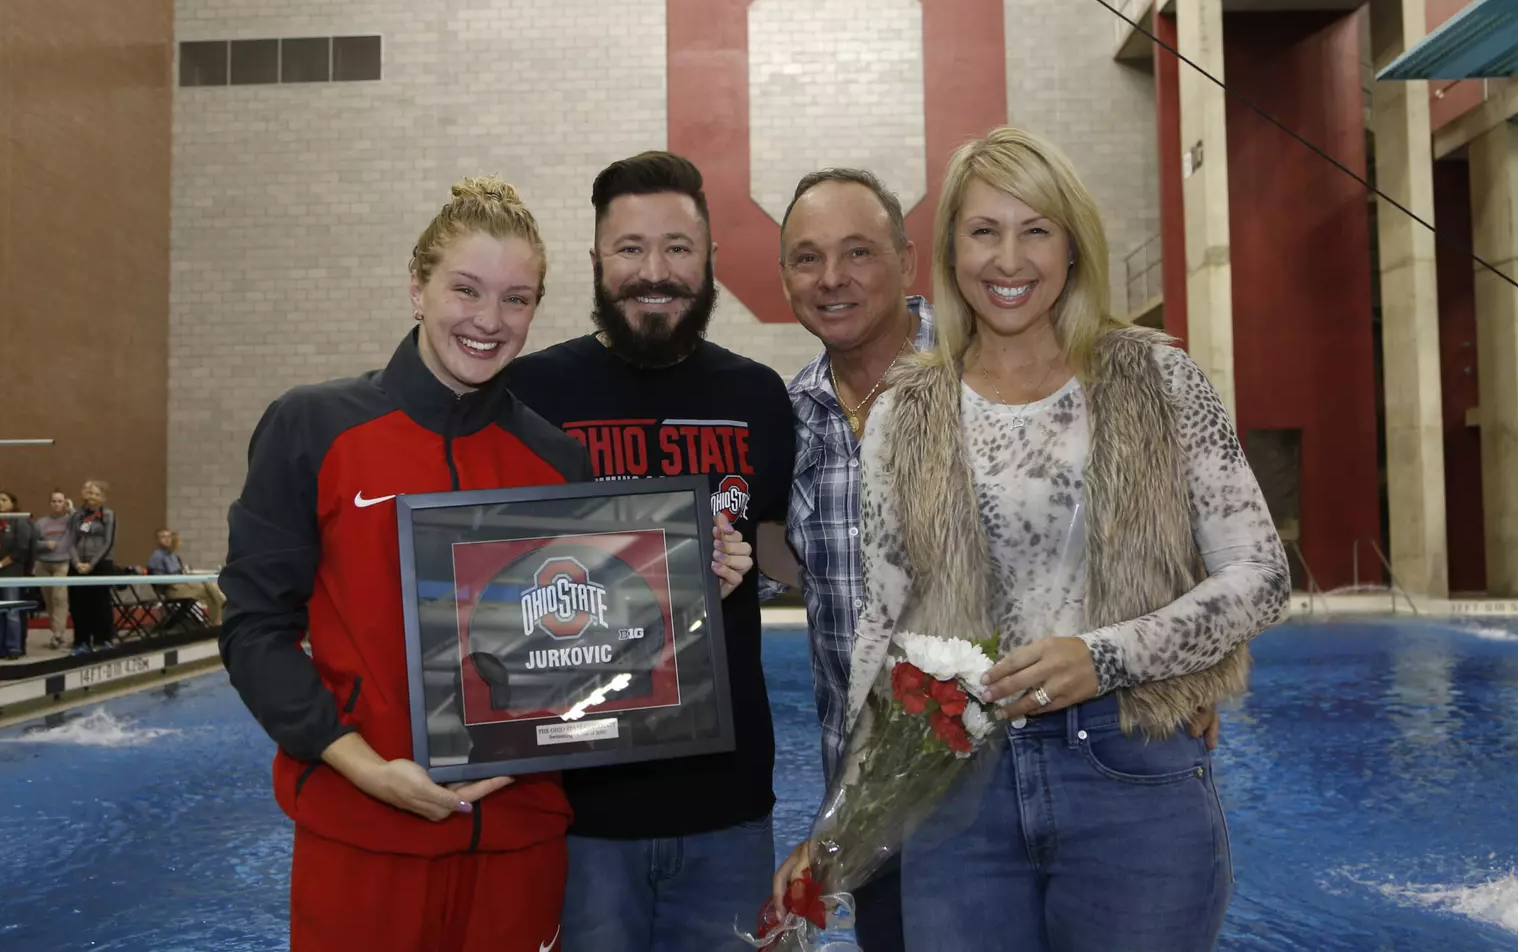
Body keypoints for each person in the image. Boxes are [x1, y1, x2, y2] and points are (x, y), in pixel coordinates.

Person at [782, 126, 1289, 951]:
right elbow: (880, 628)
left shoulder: (1157, 378)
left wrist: (1107, 656)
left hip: (1130, 775)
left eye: (1035, 230)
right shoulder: (905, 411)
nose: (1008, 259)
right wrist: (844, 821)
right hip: (955, 789)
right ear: (950, 251)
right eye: (985, 232)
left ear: (1073, 244)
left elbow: (1261, 575)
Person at [220, 176, 730, 952]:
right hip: (362, 835)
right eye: (467, 290)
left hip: (519, 849)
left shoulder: (556, 463)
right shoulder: (315, 428)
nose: (489, 322)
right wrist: (360, 766)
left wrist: (684, 599)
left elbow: (585, 656)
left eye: (517, 299)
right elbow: (255, 628)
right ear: (417, 286)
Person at [506, 151, 796, 952]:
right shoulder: (529, 394)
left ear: (709, 262)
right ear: (597, 260)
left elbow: (785, 551)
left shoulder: (756, 397)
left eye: (677, 248)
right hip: (578, 814)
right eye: (629, 248)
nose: (653, 271)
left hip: (730, 808)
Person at [759, 168, 937, 952]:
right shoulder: (787, 423)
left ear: (907, 257)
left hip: (1008, 810)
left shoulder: (987, 379)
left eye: (857, 252)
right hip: (872, 813)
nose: (831, 279)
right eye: (807, 258)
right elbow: (764, 565)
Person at [65, 480, 118, 654]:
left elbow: (107, 542)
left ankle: (103, 640)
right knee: (78, 605)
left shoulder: (108, 515)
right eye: (90, 493)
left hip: (100, 564)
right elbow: (71, 541)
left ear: (103, 498)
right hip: (78, 564)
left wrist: (91, 564)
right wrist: (77, 563)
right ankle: (81, 642)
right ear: (85, 495)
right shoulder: (77, 515)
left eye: (97, 494)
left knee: (100, 604)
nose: (93, 497)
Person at [0, 491, 34, 660]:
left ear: (13, 503)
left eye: (4, 500)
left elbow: (21, 549)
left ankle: (14, 648)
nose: (0, 503)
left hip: (11, 572)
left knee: (12, 612)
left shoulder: (20, 521)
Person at [147, 528, 225, 627]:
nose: (167, 539)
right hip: (172, 589)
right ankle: (223, 601)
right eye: (163, 537)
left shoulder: (172, 556)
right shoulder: (156, 557)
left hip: (182, 585)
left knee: (211, 592)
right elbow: (158, 579)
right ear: (157, 540)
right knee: (210, 588)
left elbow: (181, 572)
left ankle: (216, 624)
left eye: (169, 536)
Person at [33, 490, 74, 649]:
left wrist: (71, 508)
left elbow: (80, 523)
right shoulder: (41, 523)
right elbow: (33, 544)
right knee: (49, 599)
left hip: (62, 562)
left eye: (60, 501)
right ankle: (55, 631)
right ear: (50, 503)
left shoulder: (69, 521)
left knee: (60, 598)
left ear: (64, 503)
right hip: (43, 563)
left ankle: (59, 634)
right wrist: (45, 545)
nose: (57, 504)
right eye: (54, 501)